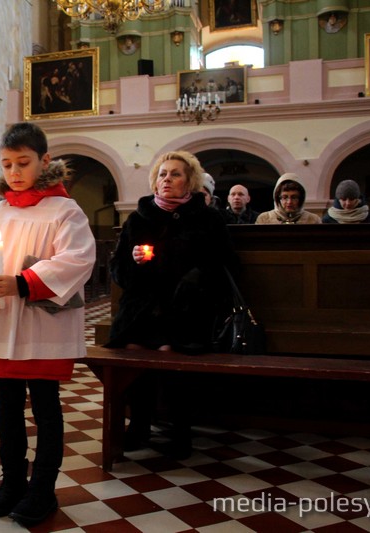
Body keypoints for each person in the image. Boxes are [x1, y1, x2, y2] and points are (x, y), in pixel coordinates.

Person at [0, 122, 96, 527]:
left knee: (46, 410)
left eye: (23, 163)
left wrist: (23, 282)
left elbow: (78, 259)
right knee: (7, 408)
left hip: (41, 328)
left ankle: (43, 489)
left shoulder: (64, 210)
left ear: (44, 161)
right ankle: (13, 481)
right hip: (1, 324)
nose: (14, 172)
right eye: (7, 164)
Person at [106, 151, 236, 459]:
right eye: (162, 174)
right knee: (134, 353)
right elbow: (118, 269)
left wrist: (193, 278)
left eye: (175, 174)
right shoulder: (138, 219)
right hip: (140, 310)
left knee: (171, 354)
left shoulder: (208, 218)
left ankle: (181, 432)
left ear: (189, 180)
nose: (167, 179)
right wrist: (135, 261)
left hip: (187, 310)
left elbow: (224, 263)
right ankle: (138, 426)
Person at [256, 173, 322, 224]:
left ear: (301, 199)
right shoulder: (264, 219)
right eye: (285, 197)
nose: (289, 202)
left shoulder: (313, 219)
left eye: (294, 197)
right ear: (278, 198)